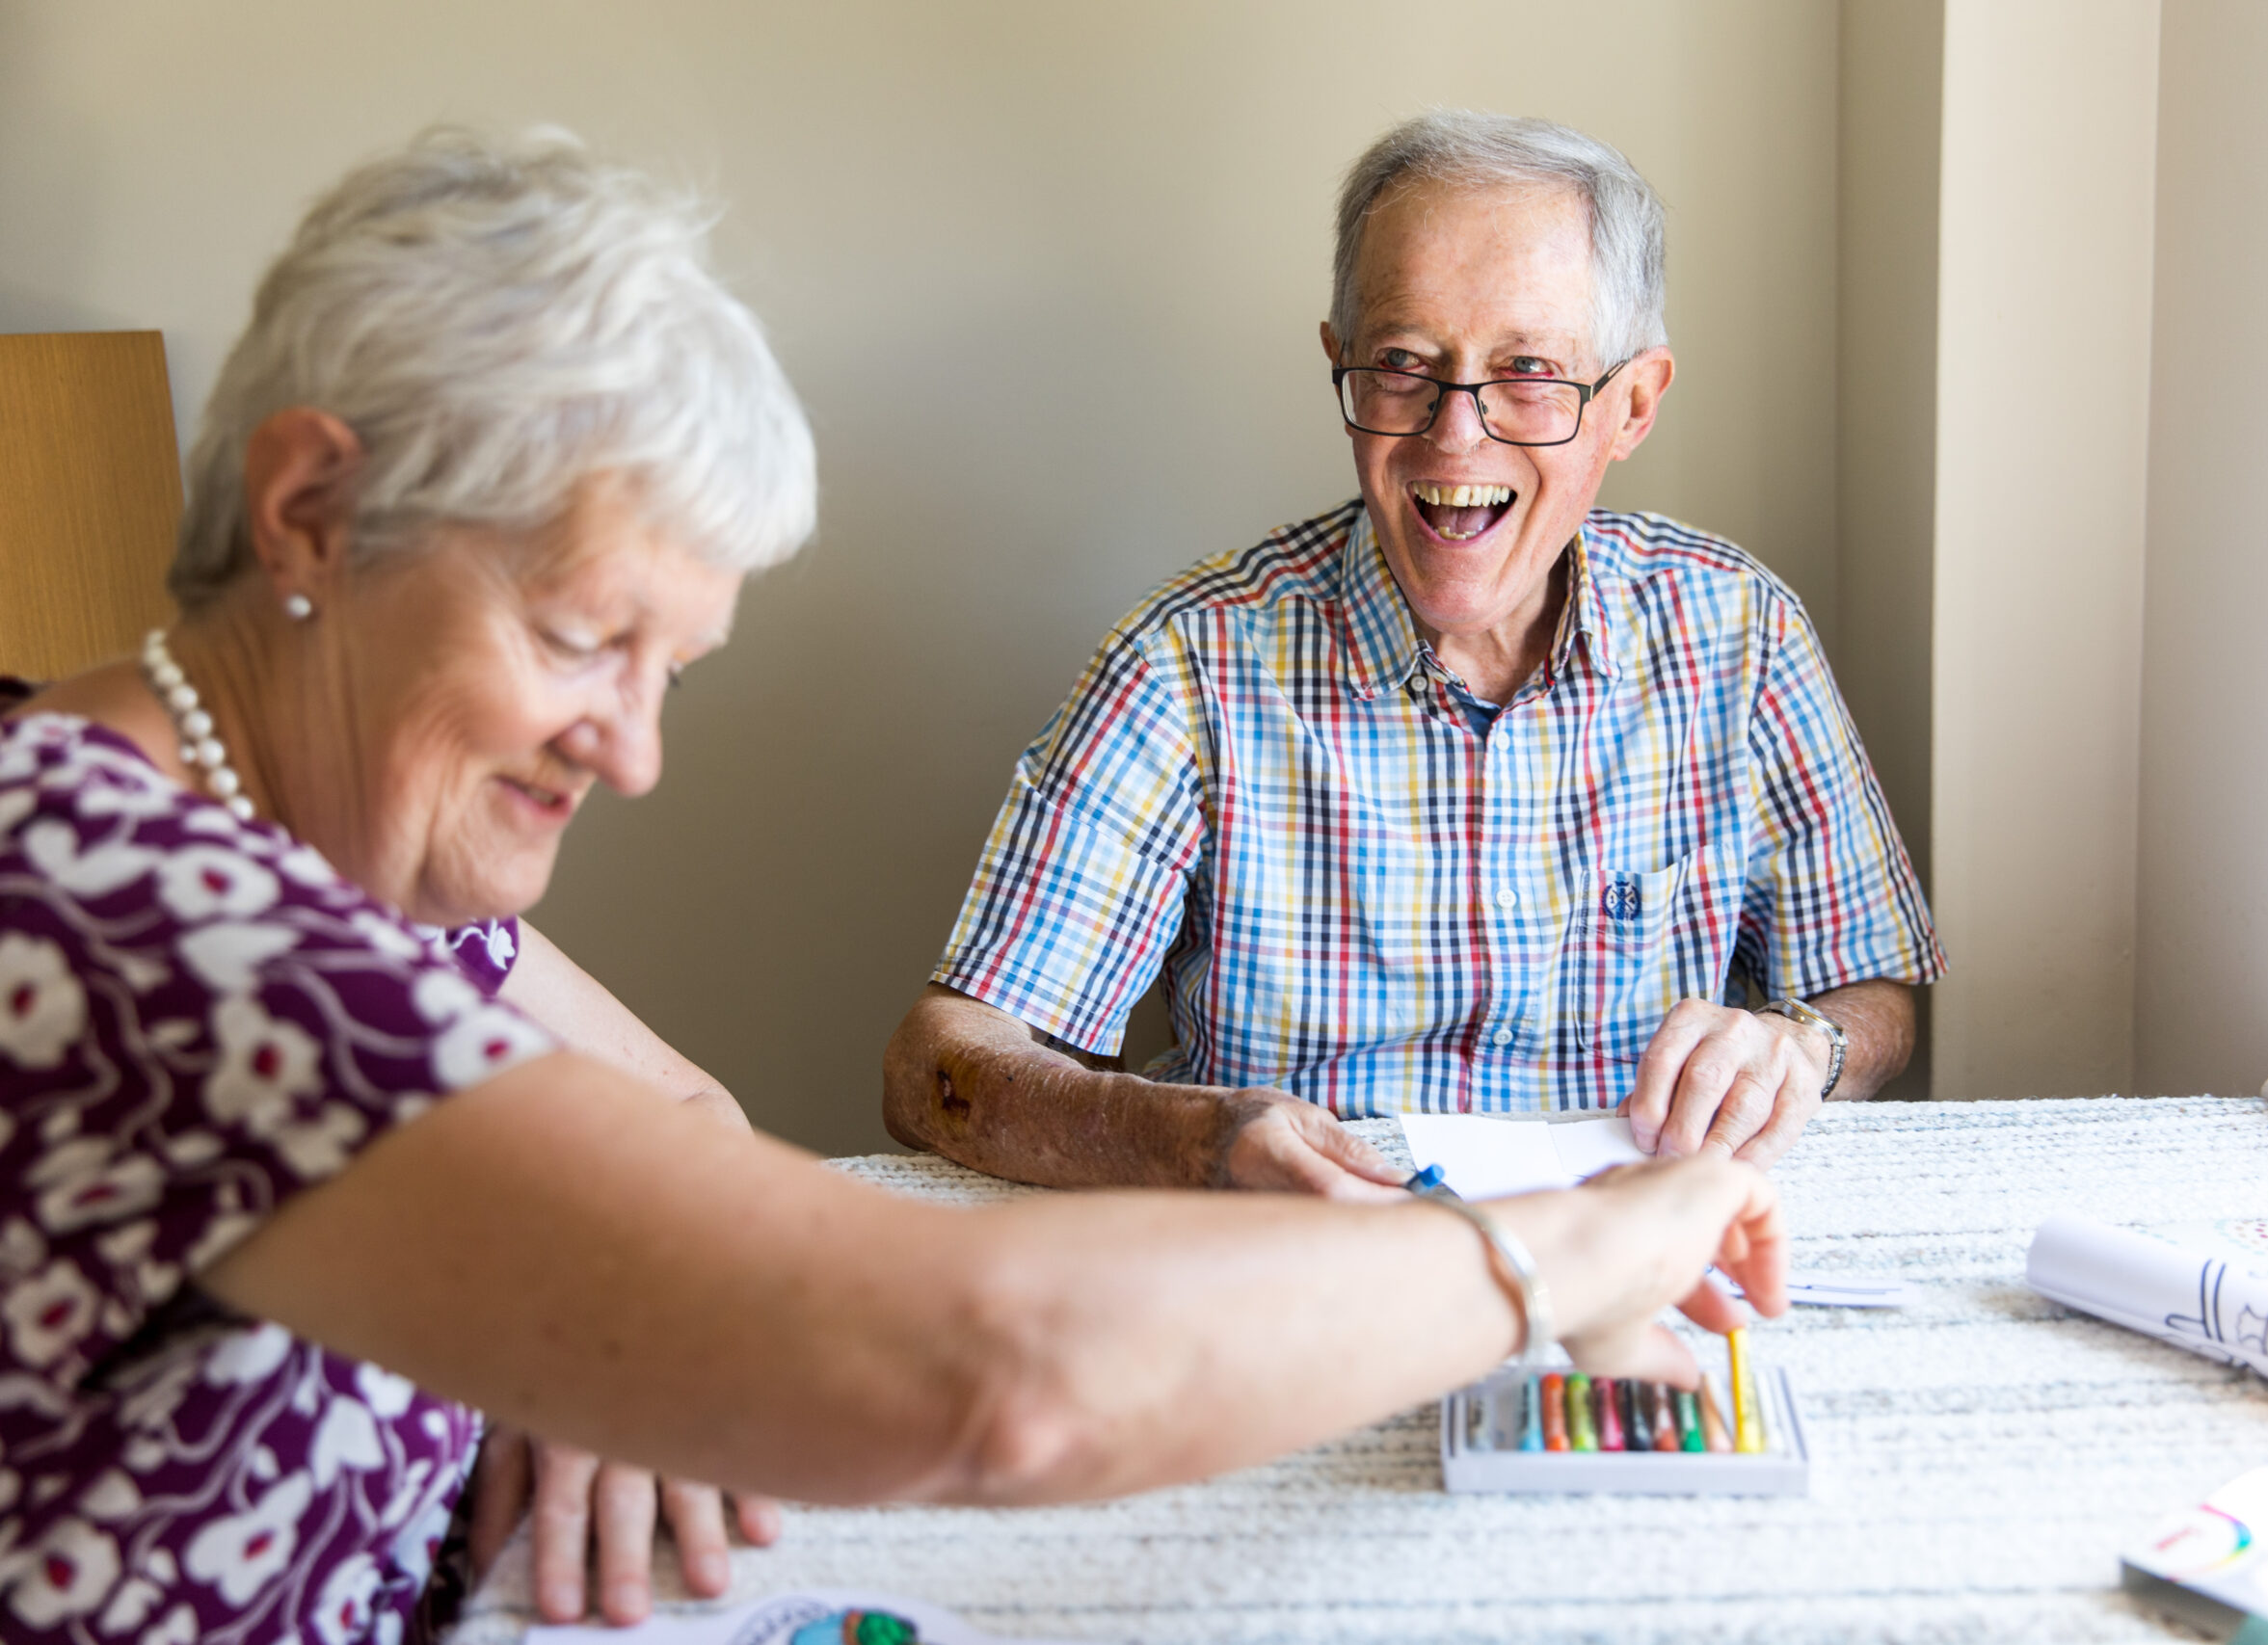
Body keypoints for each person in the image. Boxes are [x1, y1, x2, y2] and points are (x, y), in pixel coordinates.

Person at [0, 128, 1787, 1645]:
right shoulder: (152, 929)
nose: (632, 758)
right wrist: (1580, 1241)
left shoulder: (297, 841)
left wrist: (619, 1330)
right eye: (574, 638)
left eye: (669, 671)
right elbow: (994, 1372)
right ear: (312, 510)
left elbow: (687, 1117)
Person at [886, 111, 1943, 1197]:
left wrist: (1804, 1045)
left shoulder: (1739, 632)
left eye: (1528, 371)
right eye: (1403, 364)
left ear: (1631, 406)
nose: (1454, 434)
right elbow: (938, 1064)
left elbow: (1873, 992)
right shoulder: (1187, 664)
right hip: (1307, 1267)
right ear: (1341, 367)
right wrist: (1186, 1138)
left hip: (1637, 1248)